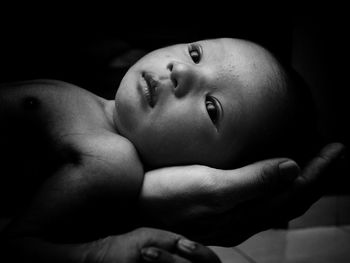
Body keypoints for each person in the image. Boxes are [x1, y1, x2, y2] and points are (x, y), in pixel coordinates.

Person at [0, 37, 345, 262]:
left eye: (212, 108)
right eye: (195, 53)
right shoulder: (93, 108)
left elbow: (18, 245)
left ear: (206, 171)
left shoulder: (109, 162)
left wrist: (96, 254)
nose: (180, 70)